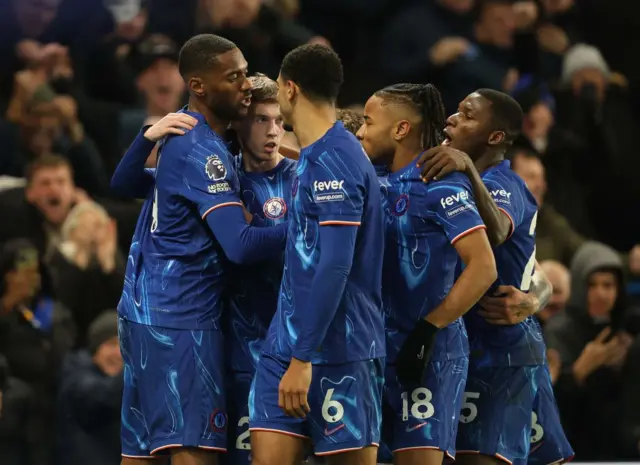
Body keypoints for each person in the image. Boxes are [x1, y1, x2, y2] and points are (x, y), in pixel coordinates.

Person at [112, 34, 288, 465]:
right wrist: (309, 222)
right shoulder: (203, 151)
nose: (245, 83)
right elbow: (242, 246)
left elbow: (125, 185)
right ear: (199, 85)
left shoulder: (185, 132)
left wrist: (145, 139)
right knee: (196, 450)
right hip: (182, 321)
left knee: (141, 452)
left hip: (143, 314)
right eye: (234, 77)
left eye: (245, 72)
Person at [417, 89, 572, 465]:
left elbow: (499, 233)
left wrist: (468, 166)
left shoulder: (504, 184)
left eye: (467, 114)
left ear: (495, 136)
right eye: (456, 111)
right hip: (462, 346)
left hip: (502, 352)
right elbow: (532, 269)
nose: (453, 118)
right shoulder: (436, 178)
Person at [248, 44, 385, 465]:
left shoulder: (336, 161)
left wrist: (303, 357)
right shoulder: (314, 155)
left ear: (290, 89)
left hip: (340, 350)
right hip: (283, 350)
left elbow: (335, 265)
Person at [356, 83, 497, 465]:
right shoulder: (369, 176)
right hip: (371, 350)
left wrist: (428, 329)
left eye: (368, 121)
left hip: (429, 355)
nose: (360, 130)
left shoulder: (439, 182)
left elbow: (483, 267)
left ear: (401, 129)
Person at [225, 73, 297, 465]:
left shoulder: (302, 179)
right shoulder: (219, 179)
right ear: (239, 122)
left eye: (280, 121)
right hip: (231, 347)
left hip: (289, 351)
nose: (274, 131)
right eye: (261, 120)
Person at [57, 311, 123, 465]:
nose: (119, 353)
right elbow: (104, 397)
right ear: (95, 348)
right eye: (111, 343)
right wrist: (139, 367)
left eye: (125, 345)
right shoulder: (76, 376)